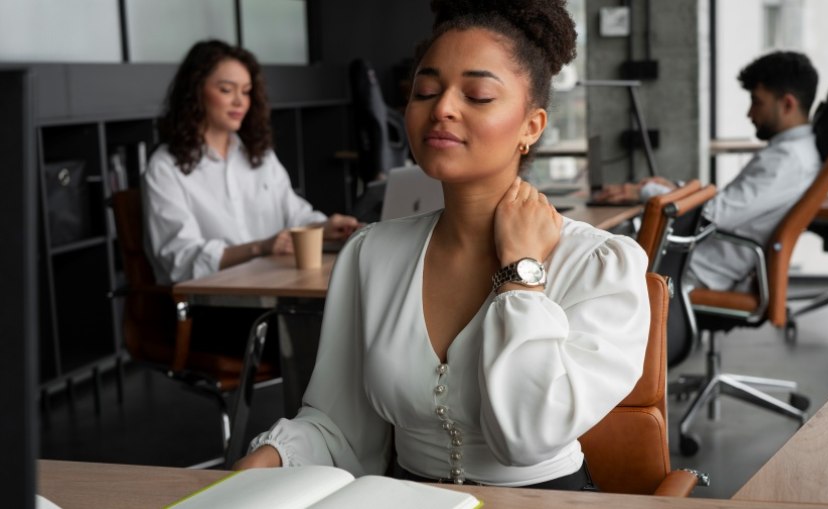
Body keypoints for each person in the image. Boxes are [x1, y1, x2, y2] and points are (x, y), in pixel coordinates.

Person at [234, 0, 650, 491]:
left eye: (477, 95)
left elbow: (528, 438)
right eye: (425, 90)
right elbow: (338, 427)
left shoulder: (599, 263)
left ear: (531, 126)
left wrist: (522, 272)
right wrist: (263, 461)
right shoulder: (372, 253)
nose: (443, 109)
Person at [595, 51, 821, 291]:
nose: (749, 113)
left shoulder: (786, 160)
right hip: (695, 257)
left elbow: (710, 215)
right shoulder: (795, 152)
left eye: (757, 102)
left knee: (586, 258)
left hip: (694, 267)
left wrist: (647, 192)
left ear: (787, 104)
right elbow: (730, 205)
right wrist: (676, 189)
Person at [143, 39, 361, 285]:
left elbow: (294, 216)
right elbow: (179, 258)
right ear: (194, 92)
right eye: (227, 90)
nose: (240, 102)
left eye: (246, 91)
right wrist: (261, 247)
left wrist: (325, 227)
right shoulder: (165, 167)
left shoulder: (259, 155)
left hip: (276, 284)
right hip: (215, 300)